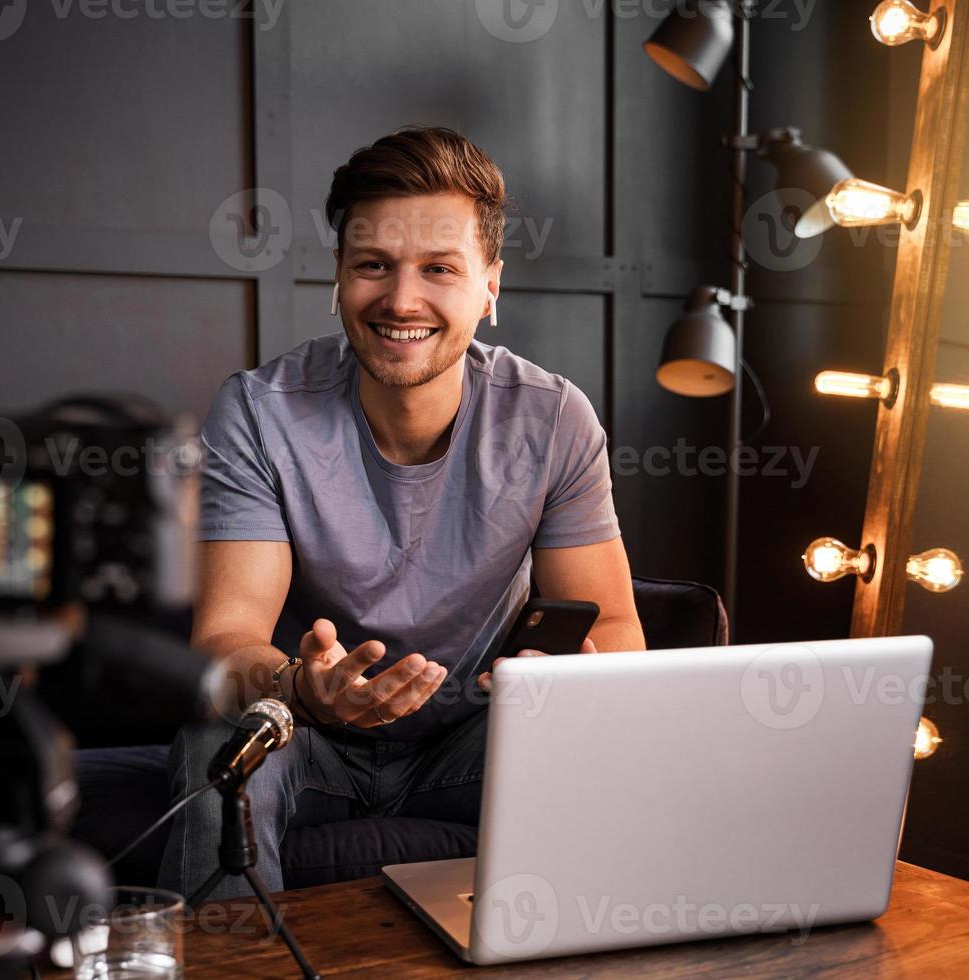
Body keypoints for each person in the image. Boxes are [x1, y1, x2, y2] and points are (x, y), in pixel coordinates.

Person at [158, 127, 645, 901]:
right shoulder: (259, 412)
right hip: (308, 738)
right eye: (373, 266)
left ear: (491, 286)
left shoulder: (553, 419)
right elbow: (223, 646)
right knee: (219, 737)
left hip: (477, 741)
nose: (401, 299)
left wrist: (572, 683)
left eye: (439, 270)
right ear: (339, 277)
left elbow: (618, 626)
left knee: (602, 743)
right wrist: (301, 687)